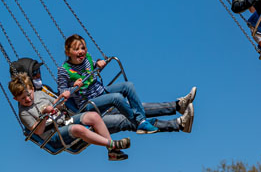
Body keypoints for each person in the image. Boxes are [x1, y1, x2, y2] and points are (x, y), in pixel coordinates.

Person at [56, 35, 196, 135]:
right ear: (68, 52)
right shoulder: (64, 70)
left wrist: (99, 63)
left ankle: (177, 106)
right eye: (76, 49)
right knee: (118, 100)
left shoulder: (86, 58)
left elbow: (91, 67)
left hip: (102, 93)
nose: (81, 51)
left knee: (128, 87)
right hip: (90, 105)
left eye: (83, 48)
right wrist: (72, 88)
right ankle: (169, 123)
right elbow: (63, 92)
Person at [9, 72, 131, 161]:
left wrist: (62, 98)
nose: (28, 99)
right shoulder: (24, 113)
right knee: (78, 129)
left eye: (28, 94)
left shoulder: (40, 94)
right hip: (52, 134)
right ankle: (111, 144)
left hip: (65, 122)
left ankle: (112, 153)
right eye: (22, 98)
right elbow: (38, 130)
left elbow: (58, 105)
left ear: (32, 88)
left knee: (93, 116)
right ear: (15, 99)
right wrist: (44, 115)